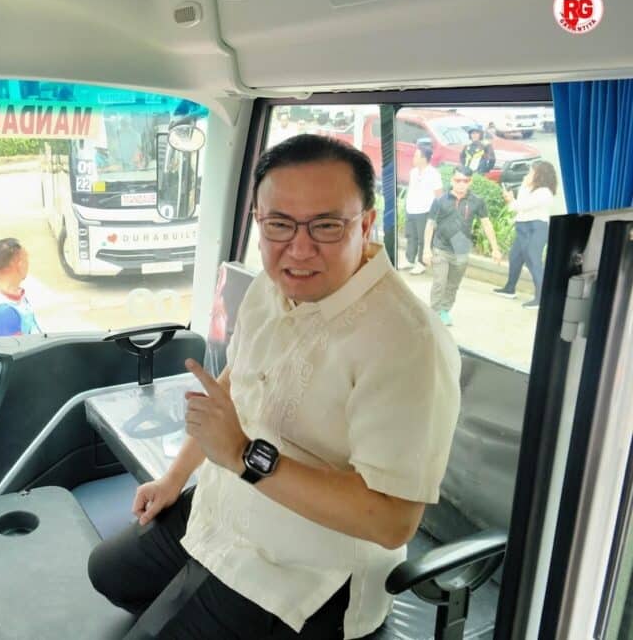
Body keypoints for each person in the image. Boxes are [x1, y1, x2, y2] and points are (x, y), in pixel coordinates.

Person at [88, 134, 461, 639]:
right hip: (222, 509)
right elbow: (236, 382)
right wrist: (174, 479)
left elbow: (392, 521)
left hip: (305, 571)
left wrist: (244, 456)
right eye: (280, 224)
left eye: (327, 225)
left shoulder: (407, 342)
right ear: (259, 223)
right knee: (106, 573)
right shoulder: (274, 283)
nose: (300, 249)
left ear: (367, 225)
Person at [423, 166, 503, 327]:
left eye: (465, 181)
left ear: (470, 182)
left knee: (453, 284)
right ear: (452, 181)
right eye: (458, 180)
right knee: (439, 282)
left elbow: (486, 224)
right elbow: (430, 224)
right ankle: (434, 312)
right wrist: (426, 249)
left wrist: (495, 248)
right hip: (441, 248)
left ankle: (444, 310)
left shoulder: (477, 201)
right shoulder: (440, 200)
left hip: (461, 250)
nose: (461, 184)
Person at [493, 161, 558, 309]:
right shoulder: (528, 187)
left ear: (540, 175)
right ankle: (509, 289)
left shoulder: (544, 192)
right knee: (515, 257)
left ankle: (541, 298)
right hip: (523, 227)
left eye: (531, 172)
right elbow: (519, 206)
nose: (528, 174)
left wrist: (510, 200)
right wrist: (523, 186)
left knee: (533, 261)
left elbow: (520, 206)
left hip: (536, 228)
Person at [0, 238, 41, 337]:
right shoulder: (4, 312)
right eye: (26, 260)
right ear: (19, 265)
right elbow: (18, 349)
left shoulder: (14, 296)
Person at [402, 144, 442, 275]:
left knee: (423, 238)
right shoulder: (413, 172)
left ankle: (421, 263)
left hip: (425, 210)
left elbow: (439, 195)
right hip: (411, 209)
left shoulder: (433, 174)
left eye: (416, 155)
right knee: (411, 236)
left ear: (424, 159)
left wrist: (437, 213)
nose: (413, 158)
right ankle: (409, 260)